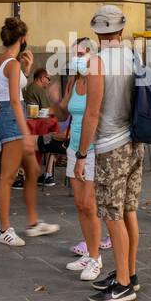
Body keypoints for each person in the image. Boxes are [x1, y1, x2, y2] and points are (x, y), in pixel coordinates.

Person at [79, 5, 142, 301]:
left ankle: (123, 284)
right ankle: (129, 272)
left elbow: (92, 113)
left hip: (110, 144)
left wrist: (81, 154)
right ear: (121, 29)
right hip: (135, 142)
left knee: (113, 216)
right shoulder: (134, 56)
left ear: (97, 31)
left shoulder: (97, 62)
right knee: (129, 211)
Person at [0, 17, 58, 247]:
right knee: (7, 177)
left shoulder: (3, 60)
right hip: (12, 119)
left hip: (10, 116)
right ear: (23, 39)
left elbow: (13, 90)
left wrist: (27, 70)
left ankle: (32, 223)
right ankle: (4, 229)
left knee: (33, 169)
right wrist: (27, 132)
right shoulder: (12, 63)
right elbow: (14, 100)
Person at [62, 38, 105, 282]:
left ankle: (97, 257)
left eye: (79, 53)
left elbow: (94, 115)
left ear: (91, 54)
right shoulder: (75, 80)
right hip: (73, 147)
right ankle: (89, 252)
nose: (75, 57)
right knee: (79, 204)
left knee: (90, 204)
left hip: (92, 148)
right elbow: (64, 112)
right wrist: (59, 98)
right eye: (73, 53)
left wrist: (83, 153)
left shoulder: (97, 80)